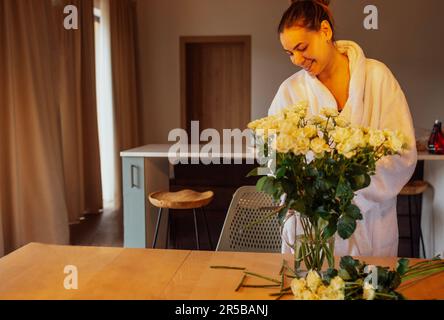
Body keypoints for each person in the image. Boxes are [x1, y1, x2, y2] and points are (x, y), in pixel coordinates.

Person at [271, 0, 417, 257]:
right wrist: (304, 192)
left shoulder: (377, 78)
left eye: (302, 47)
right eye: (289, 52)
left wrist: (348, 193)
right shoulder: (290, 91)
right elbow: (271, 157)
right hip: (312, 235)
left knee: (367, 291)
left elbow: (403, 153)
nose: (296, 59)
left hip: (370, 228)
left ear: (325, 31)